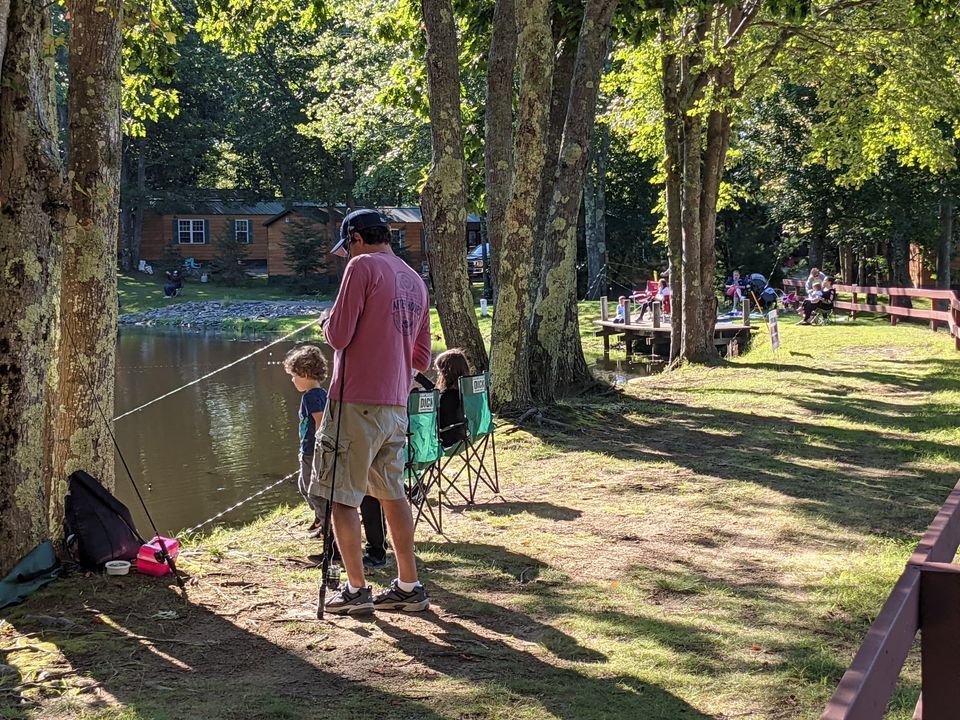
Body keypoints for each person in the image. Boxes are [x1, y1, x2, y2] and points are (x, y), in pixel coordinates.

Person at [315, 208, 432, 614]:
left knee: (341, 496)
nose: (347, 255)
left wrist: (327, 320)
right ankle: (408, 586)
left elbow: (339, 334)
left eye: (346, 247)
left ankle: (355, 590)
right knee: (392, 494)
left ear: (357, 239)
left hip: (354, 401)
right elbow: (420, 357)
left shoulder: (362, 266)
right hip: (395, 404)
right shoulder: (414, 278)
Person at [283, 346, 329, 539]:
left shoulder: (312, 397)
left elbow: (320, 422)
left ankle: (326, 524)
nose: (293, 380)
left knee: (312, 489)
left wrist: (320, 448)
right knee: (304, 486)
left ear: (306, 373)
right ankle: (321, 518)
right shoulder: (320, 394)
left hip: (313, 450)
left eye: (295, 375)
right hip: (307, 449)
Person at [416, 349, 469, 448]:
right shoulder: (465, 392)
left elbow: (435, 421)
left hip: (446, 439)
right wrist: (420, 378)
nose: (438, 375)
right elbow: (437, 392)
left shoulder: (447, 397)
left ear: (446, 373)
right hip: (464, 434)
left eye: (439, 372)